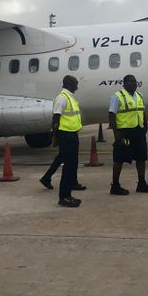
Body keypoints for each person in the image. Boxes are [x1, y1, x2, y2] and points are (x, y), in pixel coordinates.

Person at [108, 74, 148, 195]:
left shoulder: (139, 96)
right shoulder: (117, 96)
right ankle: (115, 186)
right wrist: (116, 133)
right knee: (120, 158)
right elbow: (111, 115)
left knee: (141, 157)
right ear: (124, 84)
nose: (134, 83)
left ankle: (142, 184)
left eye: (135, 81)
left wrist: (145, 124)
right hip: (125, 134)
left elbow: (142, 111)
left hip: (138, 132)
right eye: (131, 81)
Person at [49, 75, 84, 207]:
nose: (77, 86)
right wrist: (55, 137)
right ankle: (63, 197)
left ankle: (68, 194)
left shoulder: (69, 97)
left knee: (72, 165)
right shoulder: (62, 98)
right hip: (65, 136)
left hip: (72, 135)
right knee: (68, 167)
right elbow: (55, 119)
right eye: (75, 84)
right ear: (69, 84)